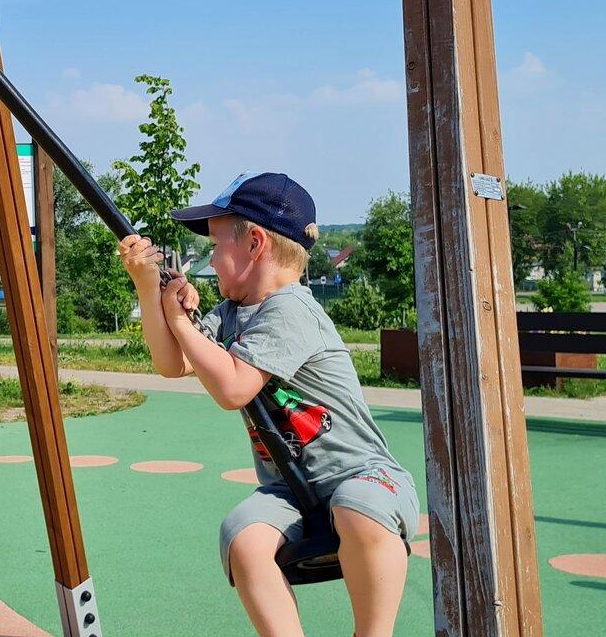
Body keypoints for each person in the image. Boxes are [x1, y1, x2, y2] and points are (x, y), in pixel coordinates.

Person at [117, 172, 415, 637]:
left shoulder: (290, 310)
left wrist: (181, 319)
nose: (210, 260)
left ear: (255, 243)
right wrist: (148, 287)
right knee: (244, 537)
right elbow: (171, 363)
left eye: (216, 246)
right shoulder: (232, 313)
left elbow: (233, 388)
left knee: (359, 505)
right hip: (292, 490)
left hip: (362, 475)